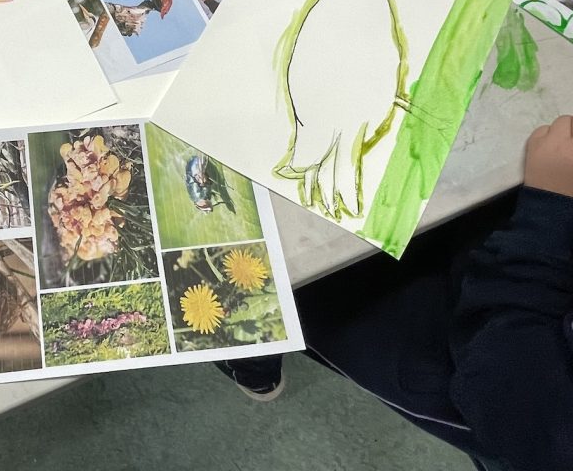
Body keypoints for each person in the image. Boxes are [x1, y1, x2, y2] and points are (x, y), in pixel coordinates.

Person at [218, 116, 573, 471]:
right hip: (523, 245)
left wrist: (548, 213)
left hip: (473, 349)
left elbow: (518, 399)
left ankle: (254, 373)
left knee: (245, 281)